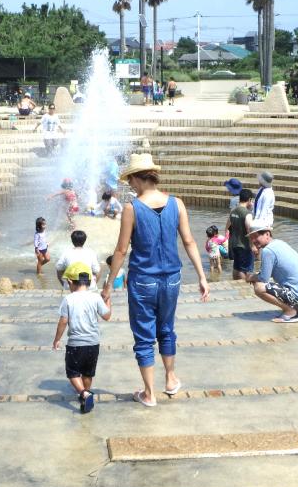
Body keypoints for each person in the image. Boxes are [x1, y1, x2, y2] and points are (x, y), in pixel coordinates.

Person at [103, 153, 210, 408]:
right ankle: (171, 379)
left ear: (139, 178)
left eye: (131, 179)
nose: (130, 184)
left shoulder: (132, 208)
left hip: (143, 280)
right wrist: (202, 277)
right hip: (172, 279)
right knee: (166, 328)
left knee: (143, 336)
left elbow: (121, 251)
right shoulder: (177, 203)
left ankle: (149, 393)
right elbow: (189, 242)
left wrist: (108, 286)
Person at [52, 262, 112, 414]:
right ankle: (86, 393)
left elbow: (63, 321)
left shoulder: (68, 299)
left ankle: (84, 393)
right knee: (87, 372)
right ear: (90, 281)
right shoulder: (95, 298)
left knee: (72, 373)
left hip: (75, 344)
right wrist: (107, 299)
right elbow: (107, 316)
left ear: (71, 282)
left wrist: (57, 339)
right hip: (93, 343)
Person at [247, 222, 298, 323]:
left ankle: (289, 311)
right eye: (251, 238)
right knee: (286, 280)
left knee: (259, 287)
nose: (253, 240)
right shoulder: (279, 243)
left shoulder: (268, 251)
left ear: (267, 234)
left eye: (256, 236)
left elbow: (264, 278)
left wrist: (250, 277)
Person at [225, 188, 254, 280]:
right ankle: (244, 286)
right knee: (244, 269)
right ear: (249, 200)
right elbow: (250, 231)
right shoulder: (247, 214)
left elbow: (227, 227)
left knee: (236, 267)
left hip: (234, 244)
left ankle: (235, 283)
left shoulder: (233, 212)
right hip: (244, 245)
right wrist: (253, 245)